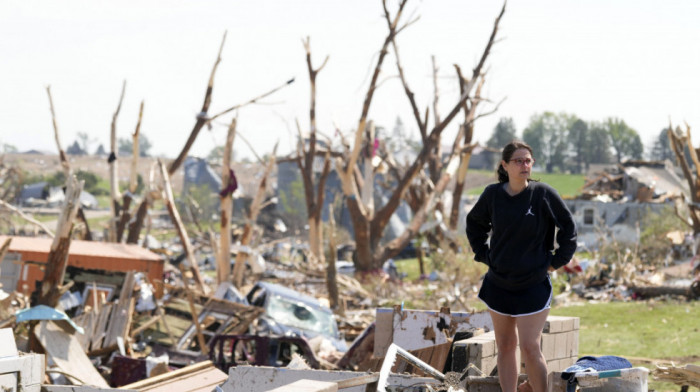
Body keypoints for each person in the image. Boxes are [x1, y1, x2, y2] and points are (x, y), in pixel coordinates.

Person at [466, 140, 577, 392]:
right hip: (499, 284)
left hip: (533, 285)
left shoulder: (543, 194)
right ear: (505, 165)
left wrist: (556, 262)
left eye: (528, 160)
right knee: (505, 346)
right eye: (518, 160)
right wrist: (486, 256)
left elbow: (568, 228)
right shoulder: (492, 195)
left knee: (530, 347)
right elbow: (474, 225)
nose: (525, 165)